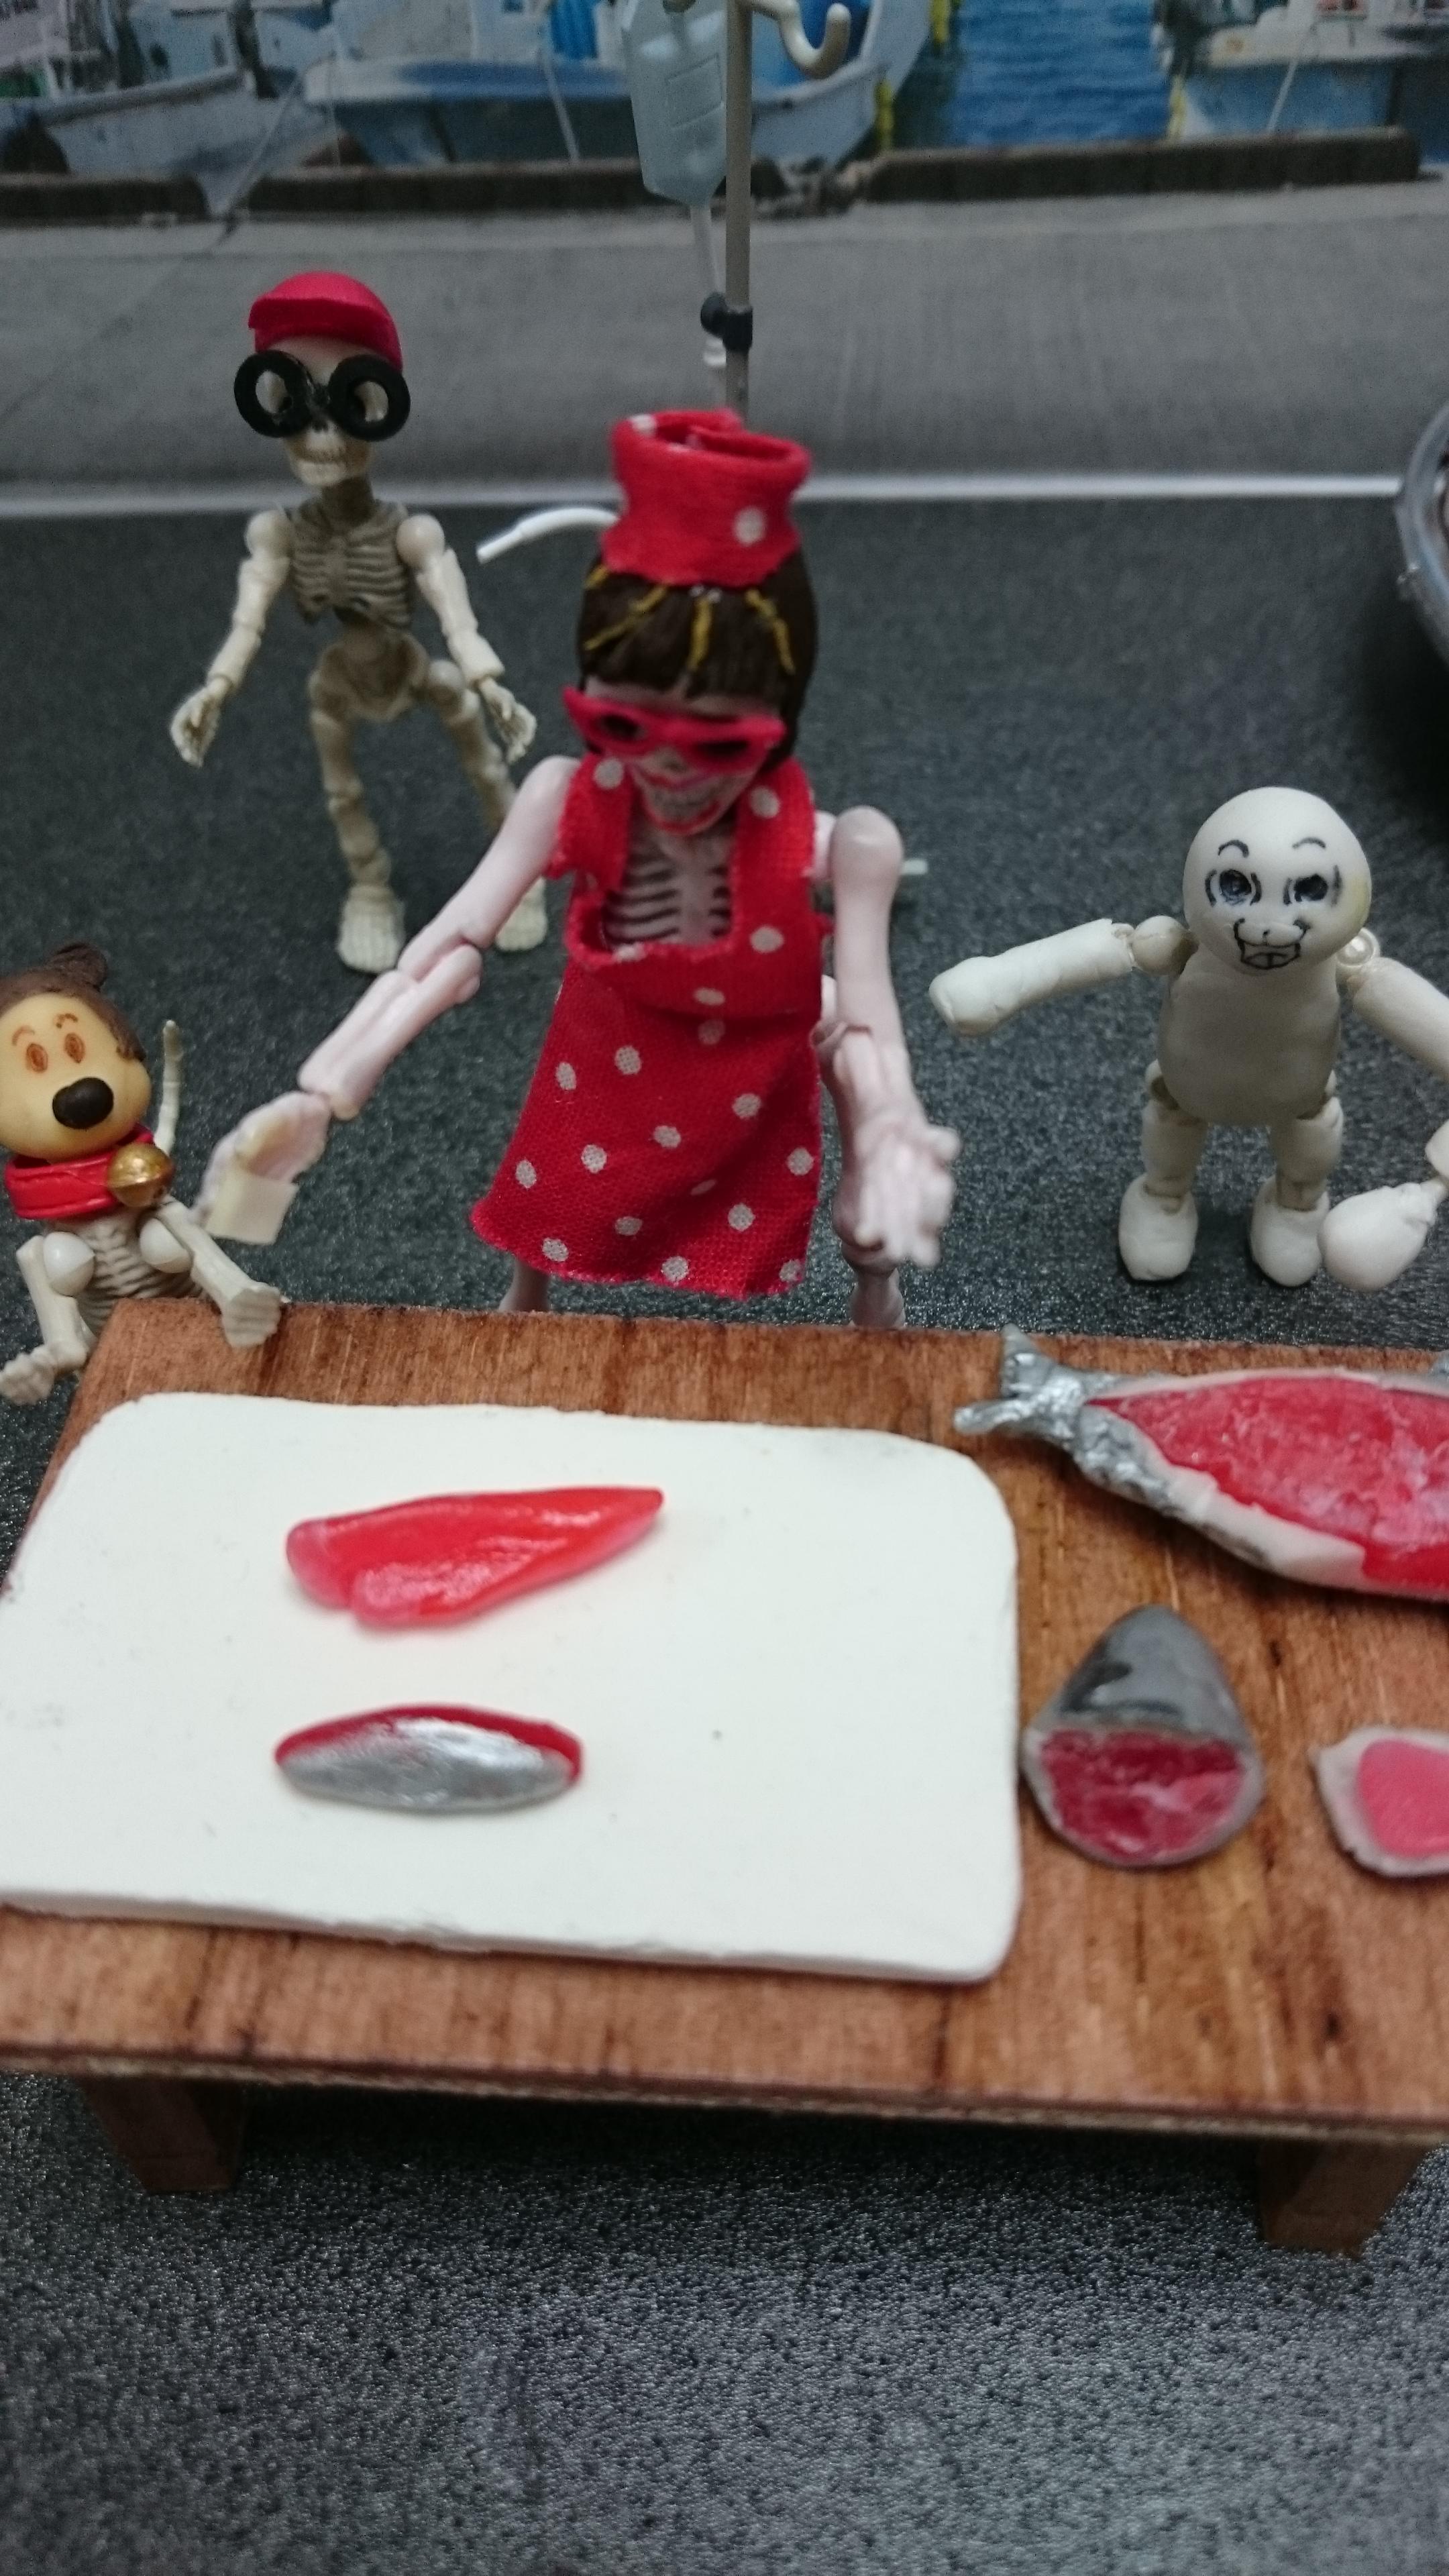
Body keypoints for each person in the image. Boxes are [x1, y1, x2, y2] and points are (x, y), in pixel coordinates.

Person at [201, 409, 958, 1325]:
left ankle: (876, 1283)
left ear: (782, 720)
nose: (670, 770)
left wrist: (890, 1122)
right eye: (623, 725)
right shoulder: (566, 796)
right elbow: (448, 948)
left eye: (718, 742)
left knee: (850, 1062)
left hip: (759, 1060)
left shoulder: (846, 845)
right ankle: (527, 1298)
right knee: (545, 1190)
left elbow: (869, 1023)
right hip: (611, 1048)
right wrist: (326, 1089)